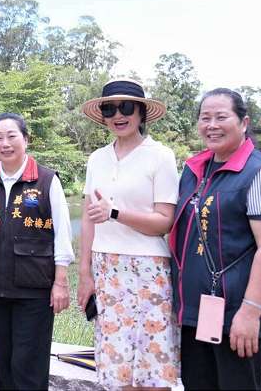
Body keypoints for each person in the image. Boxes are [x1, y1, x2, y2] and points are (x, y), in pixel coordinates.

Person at [170, 88, 261, 390]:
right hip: (195, 313)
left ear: (243, 122)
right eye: (205, 118)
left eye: (221, 117)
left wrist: (250, 313)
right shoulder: (194, 170)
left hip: (237, 316)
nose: (211, 125)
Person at [77, 78, 180, 390]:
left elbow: (164, 221)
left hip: (149, 271)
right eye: (110, 109)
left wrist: (116, 213)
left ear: (141, 112)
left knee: (152, 366)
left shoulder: (161, 156)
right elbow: (87, 219)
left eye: (126, 108)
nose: (118, 115)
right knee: (115, 365)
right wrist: (85, 272)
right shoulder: (97, 158)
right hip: (106, 268)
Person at [0, 112, 74, 390]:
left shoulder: (47, 180)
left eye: (12, 136)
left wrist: (60, 283)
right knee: (6, 366)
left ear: (26, 140)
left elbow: (62, 235)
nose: (5, 143)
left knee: (30, 368)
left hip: (34, 292)